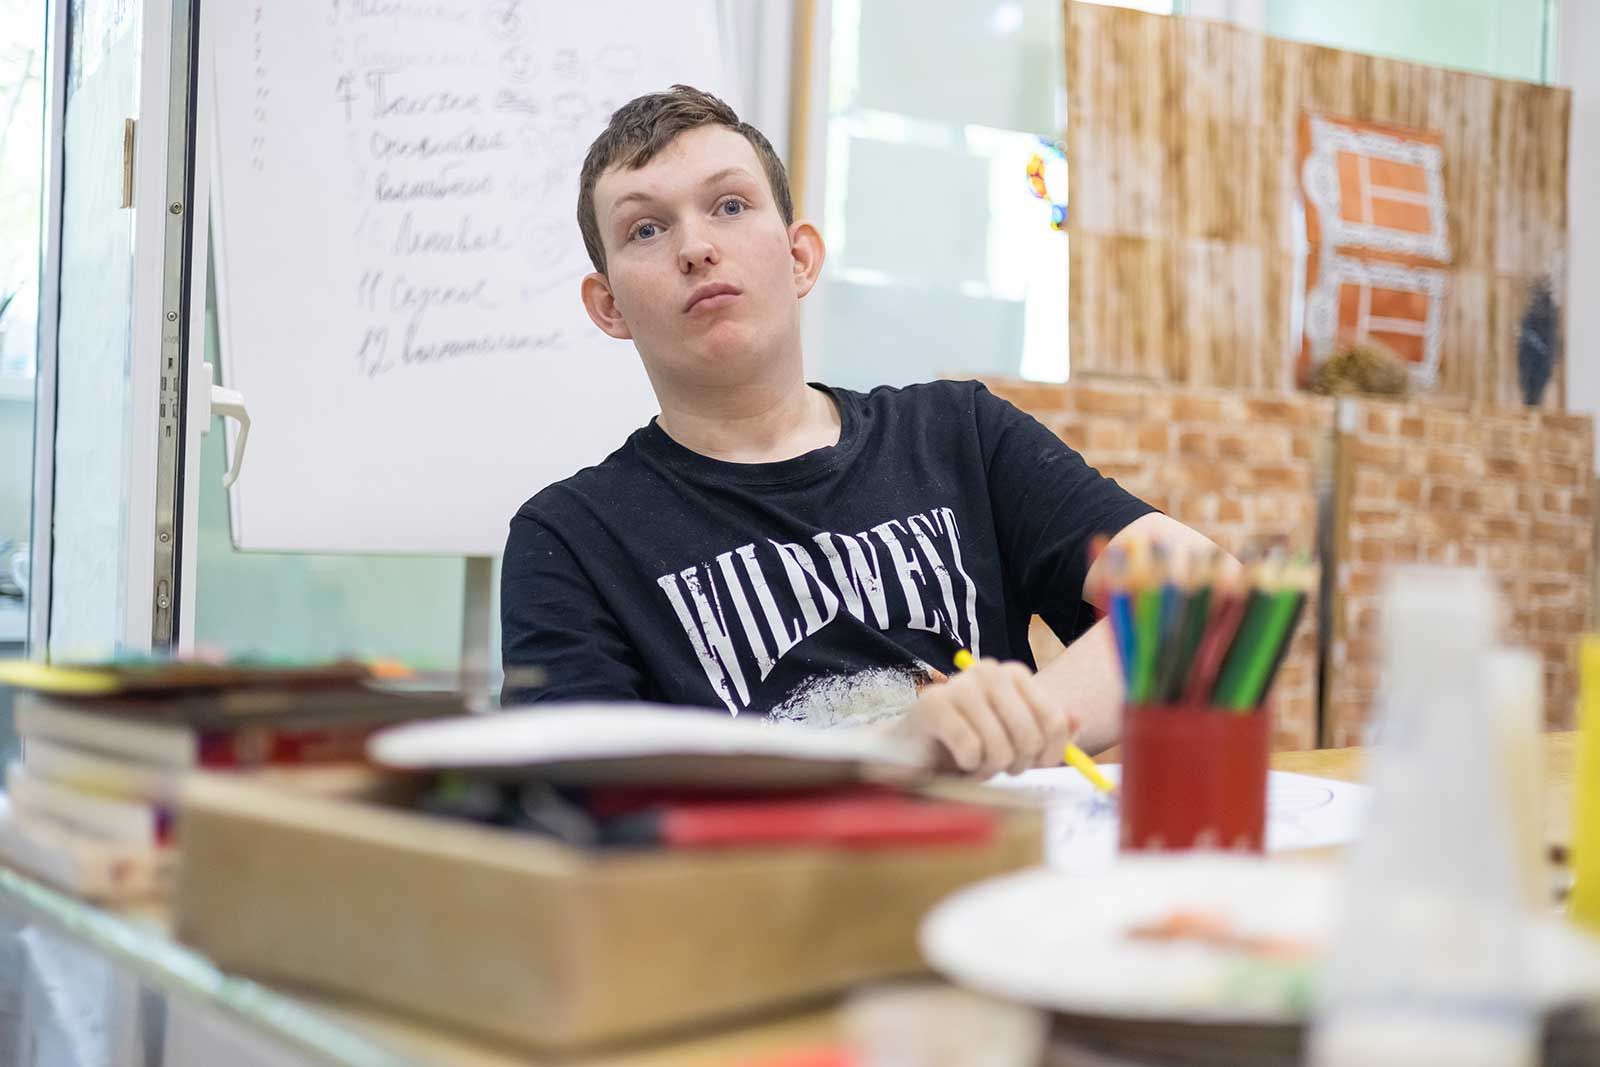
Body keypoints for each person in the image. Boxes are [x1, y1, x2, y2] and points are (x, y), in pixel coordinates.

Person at [501, 85, 1225, 778]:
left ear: (799, 258)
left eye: (730, 205)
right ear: (608, 306)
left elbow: (1211, 599)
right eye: (646, 228)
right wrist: (892, 751)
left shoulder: (958, 435)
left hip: (994, 855)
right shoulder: (570, 538)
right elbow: (576, 799)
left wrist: (1010, 728)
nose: (695, 246)